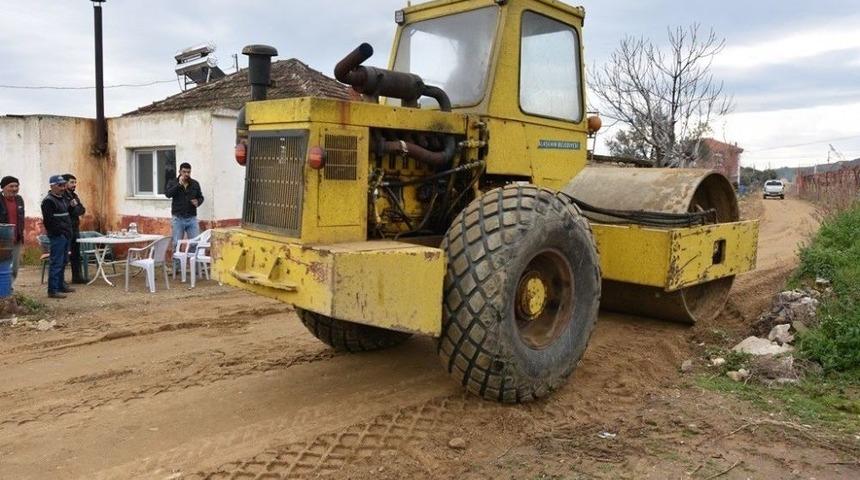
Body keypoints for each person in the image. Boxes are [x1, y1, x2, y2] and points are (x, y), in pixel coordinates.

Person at [41, 175, 75, 299]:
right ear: (52, 186)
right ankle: (53, 290)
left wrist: (72, 206)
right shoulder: (48, 201)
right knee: (56, 262)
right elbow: (48, 221)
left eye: (63, 185)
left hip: (66, 234)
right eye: (60, 185)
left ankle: (61, 285)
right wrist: (59, 232)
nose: (62, 188)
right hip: (58, 236)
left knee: (64, 261)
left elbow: (68, 214)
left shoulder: (63, 198)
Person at [165, 162, 204, 252]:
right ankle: (177, 266)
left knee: (195, 243)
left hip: (192, 218)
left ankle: (191, 264)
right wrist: (179, 185)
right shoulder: (173, 182)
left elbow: (201, 197)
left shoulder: (195, 184)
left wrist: (198, 201)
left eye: (188, 172)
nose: (186, 174)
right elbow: (168, 194)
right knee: (176, 244)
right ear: (180, 172)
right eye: (184, 172)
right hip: (178, 218)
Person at [0, 176, 25, 286]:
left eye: (16, 186)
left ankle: (8, 289)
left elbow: (21, 219)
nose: (14, 188)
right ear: (3, 187)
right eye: (11, 186)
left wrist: (21, 236)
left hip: (16, 239)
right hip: (2, 240)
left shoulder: (19, 199)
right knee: (2, 267)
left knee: (14, 268)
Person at [62, 173, 87, 283]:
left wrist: (74, 208)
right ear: (65, 183)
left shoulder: (74, 196)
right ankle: (60, 281)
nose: (74, 184)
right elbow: (66, 211)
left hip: (75, 228)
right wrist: (73, 208)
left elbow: (81, 210)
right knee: (63, 256)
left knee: (76, 254)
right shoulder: (61, 196)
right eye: (72, 182)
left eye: (75, 182)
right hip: (65, 229)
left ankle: (77, 277)